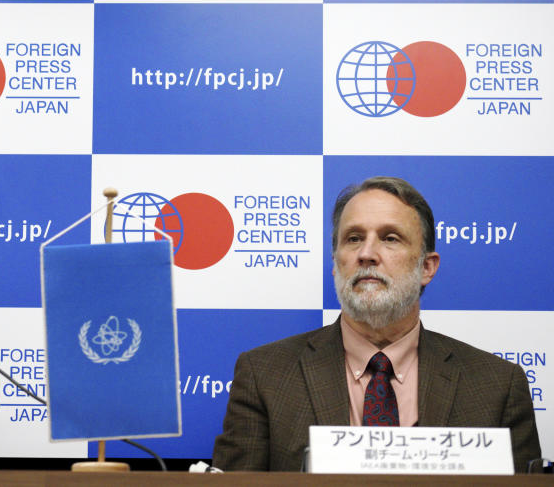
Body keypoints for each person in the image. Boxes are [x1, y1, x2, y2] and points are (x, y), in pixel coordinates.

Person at [212, 176, 540, 472]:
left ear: (427, 266)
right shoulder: (264, 374)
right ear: (335, 263)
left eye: (390, 238)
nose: (367, 254)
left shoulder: (497, 386)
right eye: (353, 238)